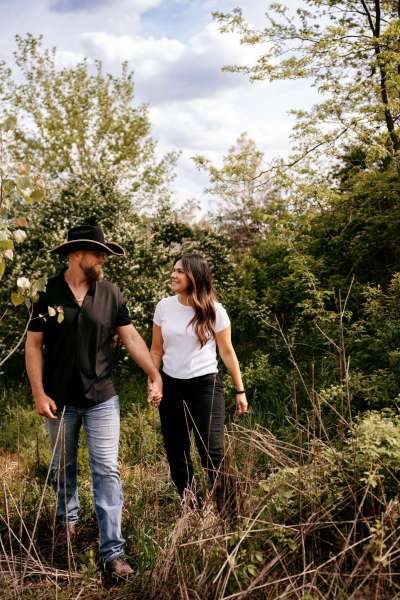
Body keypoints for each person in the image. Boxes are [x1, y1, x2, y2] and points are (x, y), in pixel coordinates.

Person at [25, 224, 162, 578]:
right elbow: (33, 346)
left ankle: (113, 553)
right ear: (75, 254)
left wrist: (153, 373)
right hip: (59, 401)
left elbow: (130, 337)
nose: (103, 257)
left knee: (106, 470)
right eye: (97, 251)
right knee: (62, 469)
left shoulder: (112, 294)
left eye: (104, 252)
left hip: (102, 397)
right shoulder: (47, 294)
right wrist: (39, 394)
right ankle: (66, 526)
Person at [149, 253, 247, 517]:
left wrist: (240, 390)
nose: (173, 275)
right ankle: (193, 511)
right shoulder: (164, 307)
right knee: (176, 454)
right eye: (173, 270)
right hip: (171, 386)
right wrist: (154, 382)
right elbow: (156, 351)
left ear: (195, 275)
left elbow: (227, 352)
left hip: (205, 386)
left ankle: (230, 517)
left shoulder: (215, 310)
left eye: (180, 271)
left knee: (211, 453)